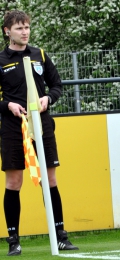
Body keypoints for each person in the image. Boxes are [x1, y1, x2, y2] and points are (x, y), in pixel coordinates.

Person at [0, 10, 79, 256]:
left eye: (27, 27)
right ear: (7, 31)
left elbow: (57, 85)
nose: (25, 32)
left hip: (42, 125)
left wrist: (48, 98)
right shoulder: (1, 59)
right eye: (19, 28)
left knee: (51, 180)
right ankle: (13, 240)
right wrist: (8, 105)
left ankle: (61, 235)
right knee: (14, 182)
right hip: (14, 128)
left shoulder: (40, 54)